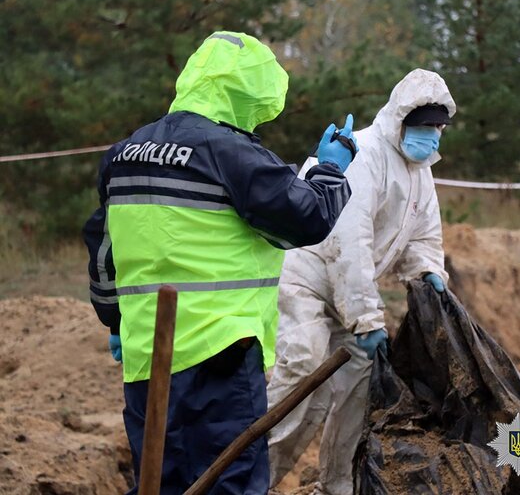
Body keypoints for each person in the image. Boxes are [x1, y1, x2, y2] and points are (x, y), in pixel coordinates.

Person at [83, 31, 356, 494]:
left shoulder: (124, 153)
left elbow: (103, 246)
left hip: (146, 354)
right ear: (252, 96)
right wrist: (329, 170)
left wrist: (114, 320)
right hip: (219, 356)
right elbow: (303, 220)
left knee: (159, 480)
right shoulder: (232, 154)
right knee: (229, 483)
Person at [266, 68, 456, 495]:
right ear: (401, 120)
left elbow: (423, 233)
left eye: (438, 128)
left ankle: (338, 485)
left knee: (357, 391)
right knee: (302, 370)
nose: (432, 136)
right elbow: (346, 240)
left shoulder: (419, 172)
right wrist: (367, 316)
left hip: (351, 290)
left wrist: (427, 271)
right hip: (309, 280)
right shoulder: (366, 154)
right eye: (425, 126)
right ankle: (250, 478)